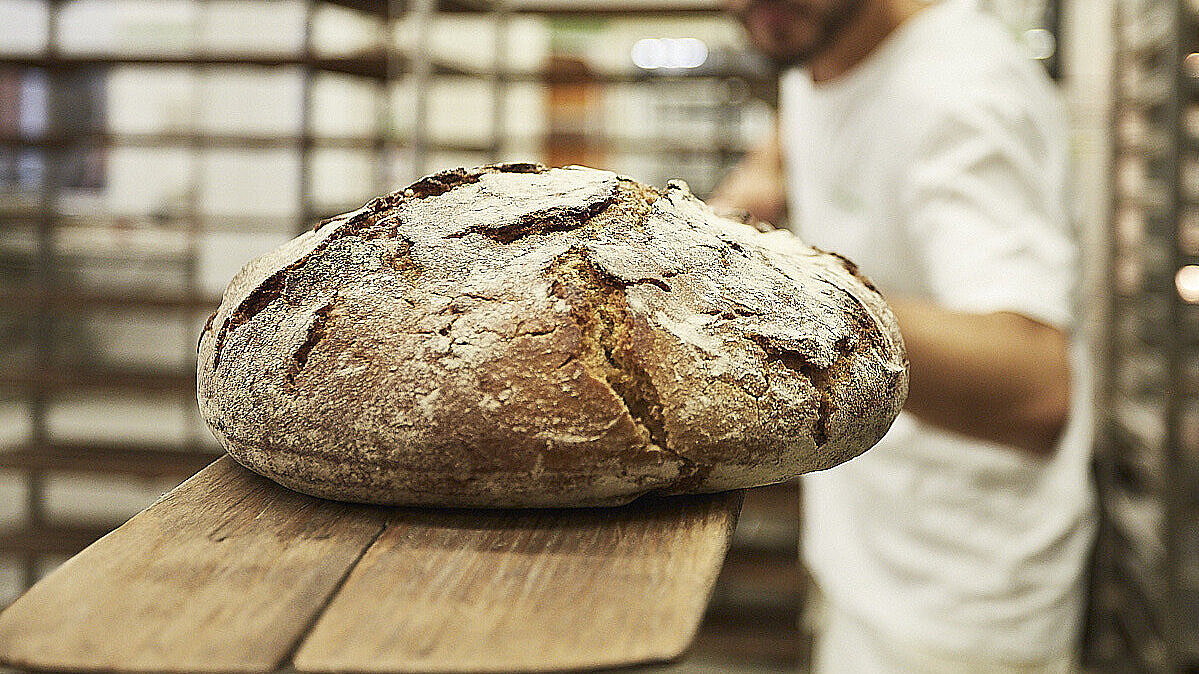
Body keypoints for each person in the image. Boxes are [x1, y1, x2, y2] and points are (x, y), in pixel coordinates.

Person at [711, 0, 1096, 672]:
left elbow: (1032, 389)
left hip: (955, 604)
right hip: (867, 553)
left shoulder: (958, 94)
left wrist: (775, 282)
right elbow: (819, 94)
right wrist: (764, 170)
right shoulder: (817, 39)